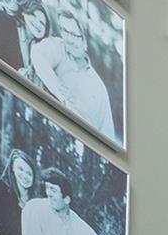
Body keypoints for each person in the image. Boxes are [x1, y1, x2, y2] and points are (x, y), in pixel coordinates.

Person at [31, 11, 118, 144]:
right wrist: (62, 96)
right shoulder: (59, 47)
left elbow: (108, 138)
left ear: (85, 42)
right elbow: (37, 54)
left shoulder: (99, 87)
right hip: (48, 131)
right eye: (65, 31)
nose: (70, 39)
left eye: (75, 35)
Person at [0, 0, 50, 78]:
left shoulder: (40, 51)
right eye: (33, 15)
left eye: (42, 23)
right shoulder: (3, 19)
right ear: (24, 13)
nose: (38, 24)